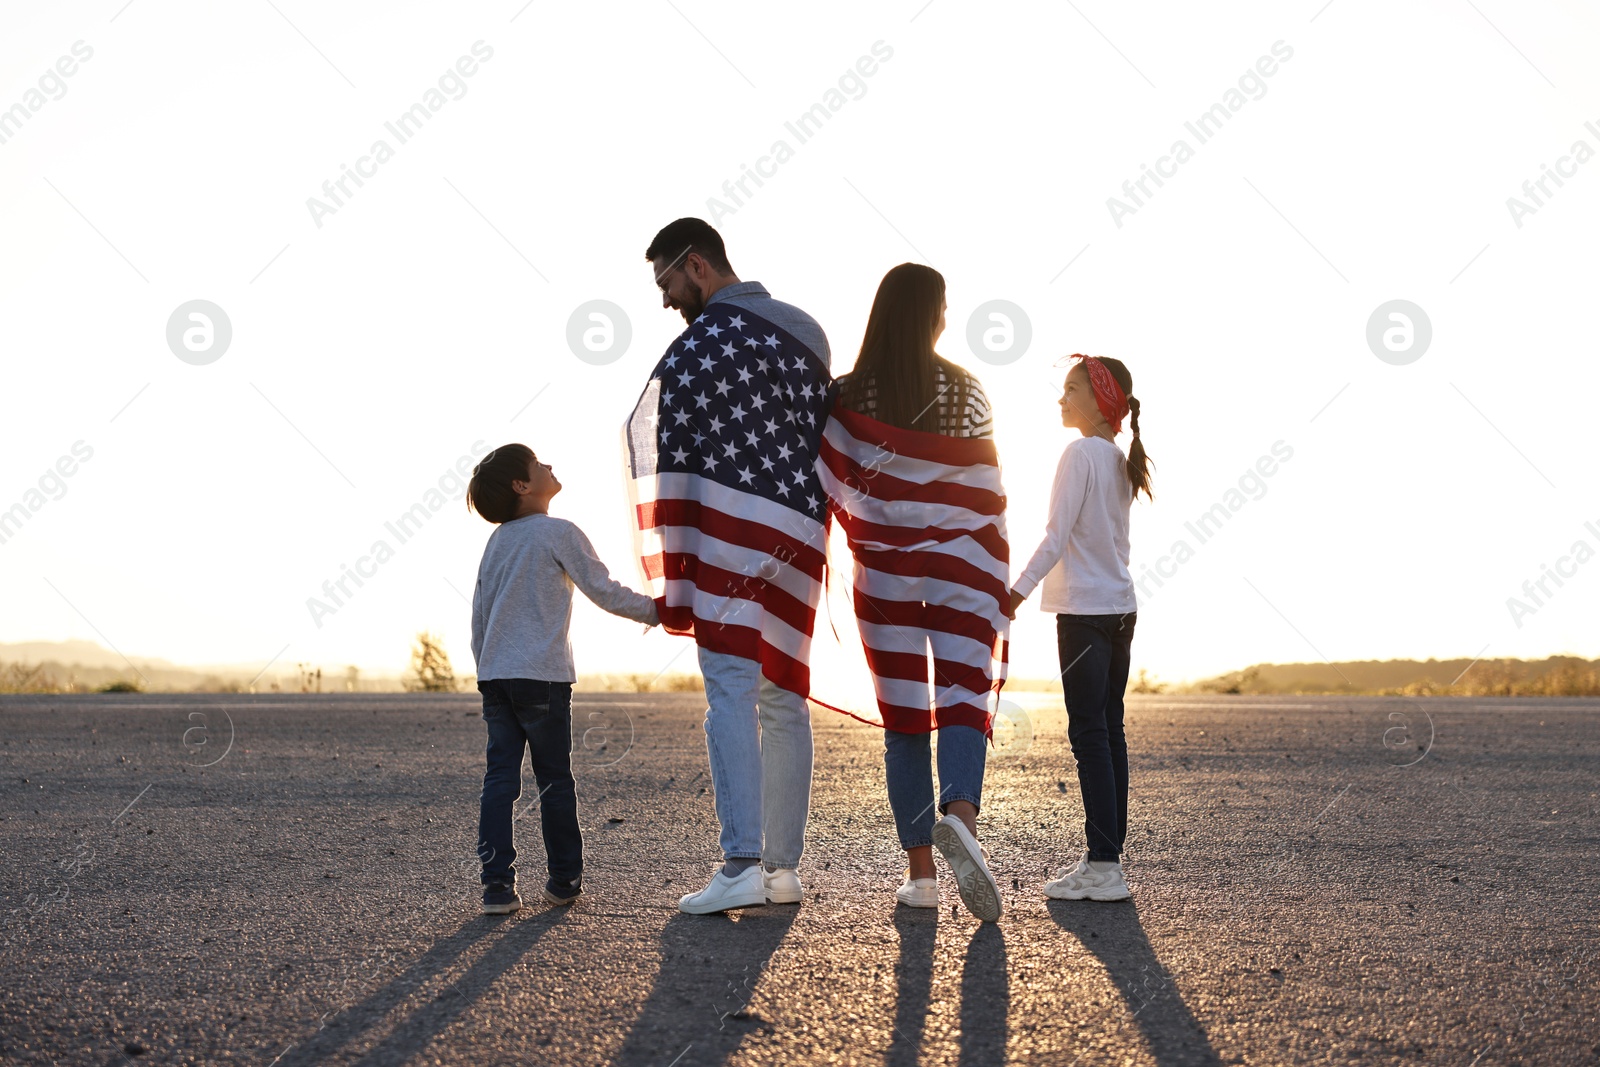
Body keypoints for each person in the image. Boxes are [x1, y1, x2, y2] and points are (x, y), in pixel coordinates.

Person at [638, 218, 832, 915]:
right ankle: (783, 870)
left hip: (730, 534)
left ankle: (741, 861)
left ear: (696, 266)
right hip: (803, 534)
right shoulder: (807, 330)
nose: (665, 300)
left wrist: (675, 563)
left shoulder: (693, 351)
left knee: (730, 690)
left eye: (666, 281)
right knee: (784, 695)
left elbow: (671, 457)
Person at [832, 262, 1004, 922]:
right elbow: (983, 484)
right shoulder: (968, 389)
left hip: (885, 575)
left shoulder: (846, 394)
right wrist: (994, 568)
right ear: (932, 314)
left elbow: (834, 475)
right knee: (963, 692)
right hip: (962, 562)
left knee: (904, 717)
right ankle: (960, 813)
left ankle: (922, 876)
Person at [467, 444, 659, 915]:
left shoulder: (497, 542)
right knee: (554, 779)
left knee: (500, 780)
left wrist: (486, 666)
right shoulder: (559, 532)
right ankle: (563, 880)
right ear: (522, 485)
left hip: (496, 677)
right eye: (538, 464)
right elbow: (603, 590)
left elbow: (480, 615)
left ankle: (497, 887)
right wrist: (659, 611)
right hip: (543, 679)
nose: (549, 466)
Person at [1007, 355, 1151, 902]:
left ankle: (1103, 867)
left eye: (1071, 389)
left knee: (1090, 734)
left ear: (1100, 400)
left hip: (1086, 613)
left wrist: (1015, 592)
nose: (1061, 398)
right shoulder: (1116, 458)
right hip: (1121, 609)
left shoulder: (1079, 453)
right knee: (1108, 731)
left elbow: (1055, 535)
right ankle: (1107, 862)